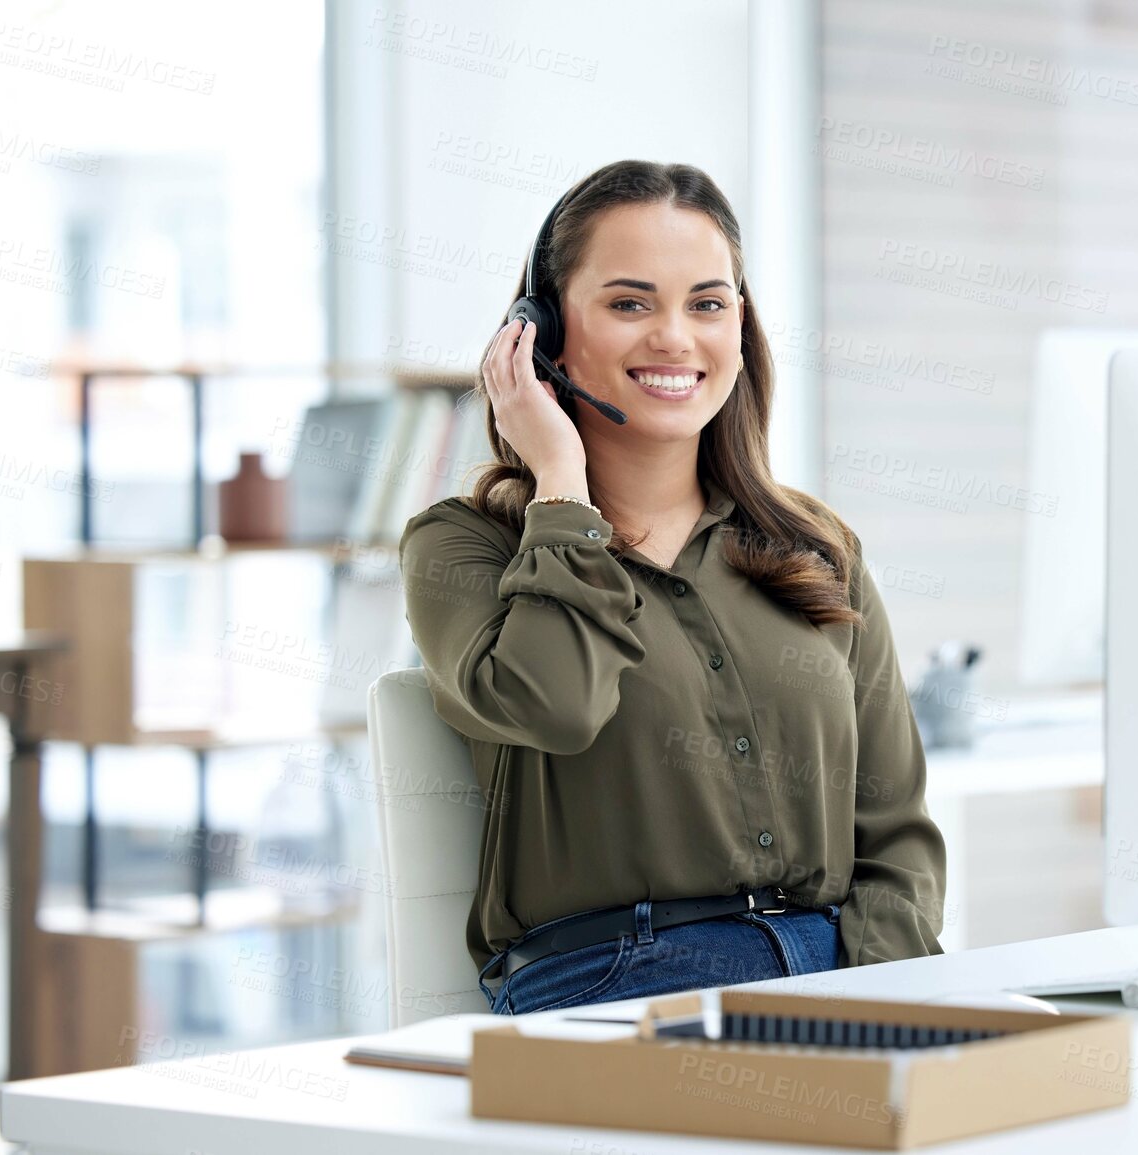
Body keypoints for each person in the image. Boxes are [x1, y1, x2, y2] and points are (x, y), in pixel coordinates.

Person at [397, 159, 947, 1016]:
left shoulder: (815, 547)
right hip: (614, 985)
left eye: (707, 303)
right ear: (539, 334)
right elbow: (554, 704)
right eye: (628, 303)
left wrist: (893, 1003)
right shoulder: (464, 546)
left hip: (845, 973)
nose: (674, 339)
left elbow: (895, 837)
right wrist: (560, 482)